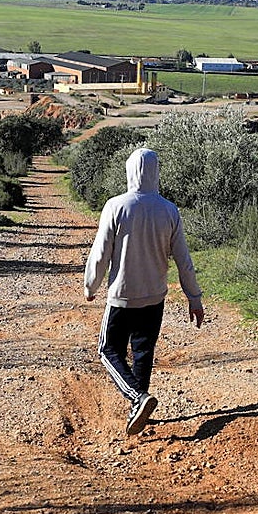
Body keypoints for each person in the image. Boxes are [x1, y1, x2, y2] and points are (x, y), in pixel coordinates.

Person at [84, 147, 204, 435]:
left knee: (108, 350)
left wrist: (91, 285)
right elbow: (183, 259)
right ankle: (139, 409)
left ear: (129, 171)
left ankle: (138, 398)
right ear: (155, 172)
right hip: (155, 297)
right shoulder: (168, 209)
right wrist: (194, 297)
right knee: (142, 353)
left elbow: (101, 253)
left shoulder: (116, 206)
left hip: (122, 296)